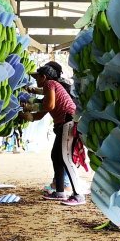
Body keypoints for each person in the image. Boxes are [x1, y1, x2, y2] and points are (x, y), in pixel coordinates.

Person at [21, 61, 84, 205]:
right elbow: (41, 114)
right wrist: (26, 115)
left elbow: (48, 106)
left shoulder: (50, 84)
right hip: (63, 124)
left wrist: (28, 105)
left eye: (37, 77)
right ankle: (60, 192)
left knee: (66, 159)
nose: (36, 80)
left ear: (44, 77)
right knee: (56, 156)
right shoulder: (53, 88)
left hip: (68, 122)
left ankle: (78, 195)